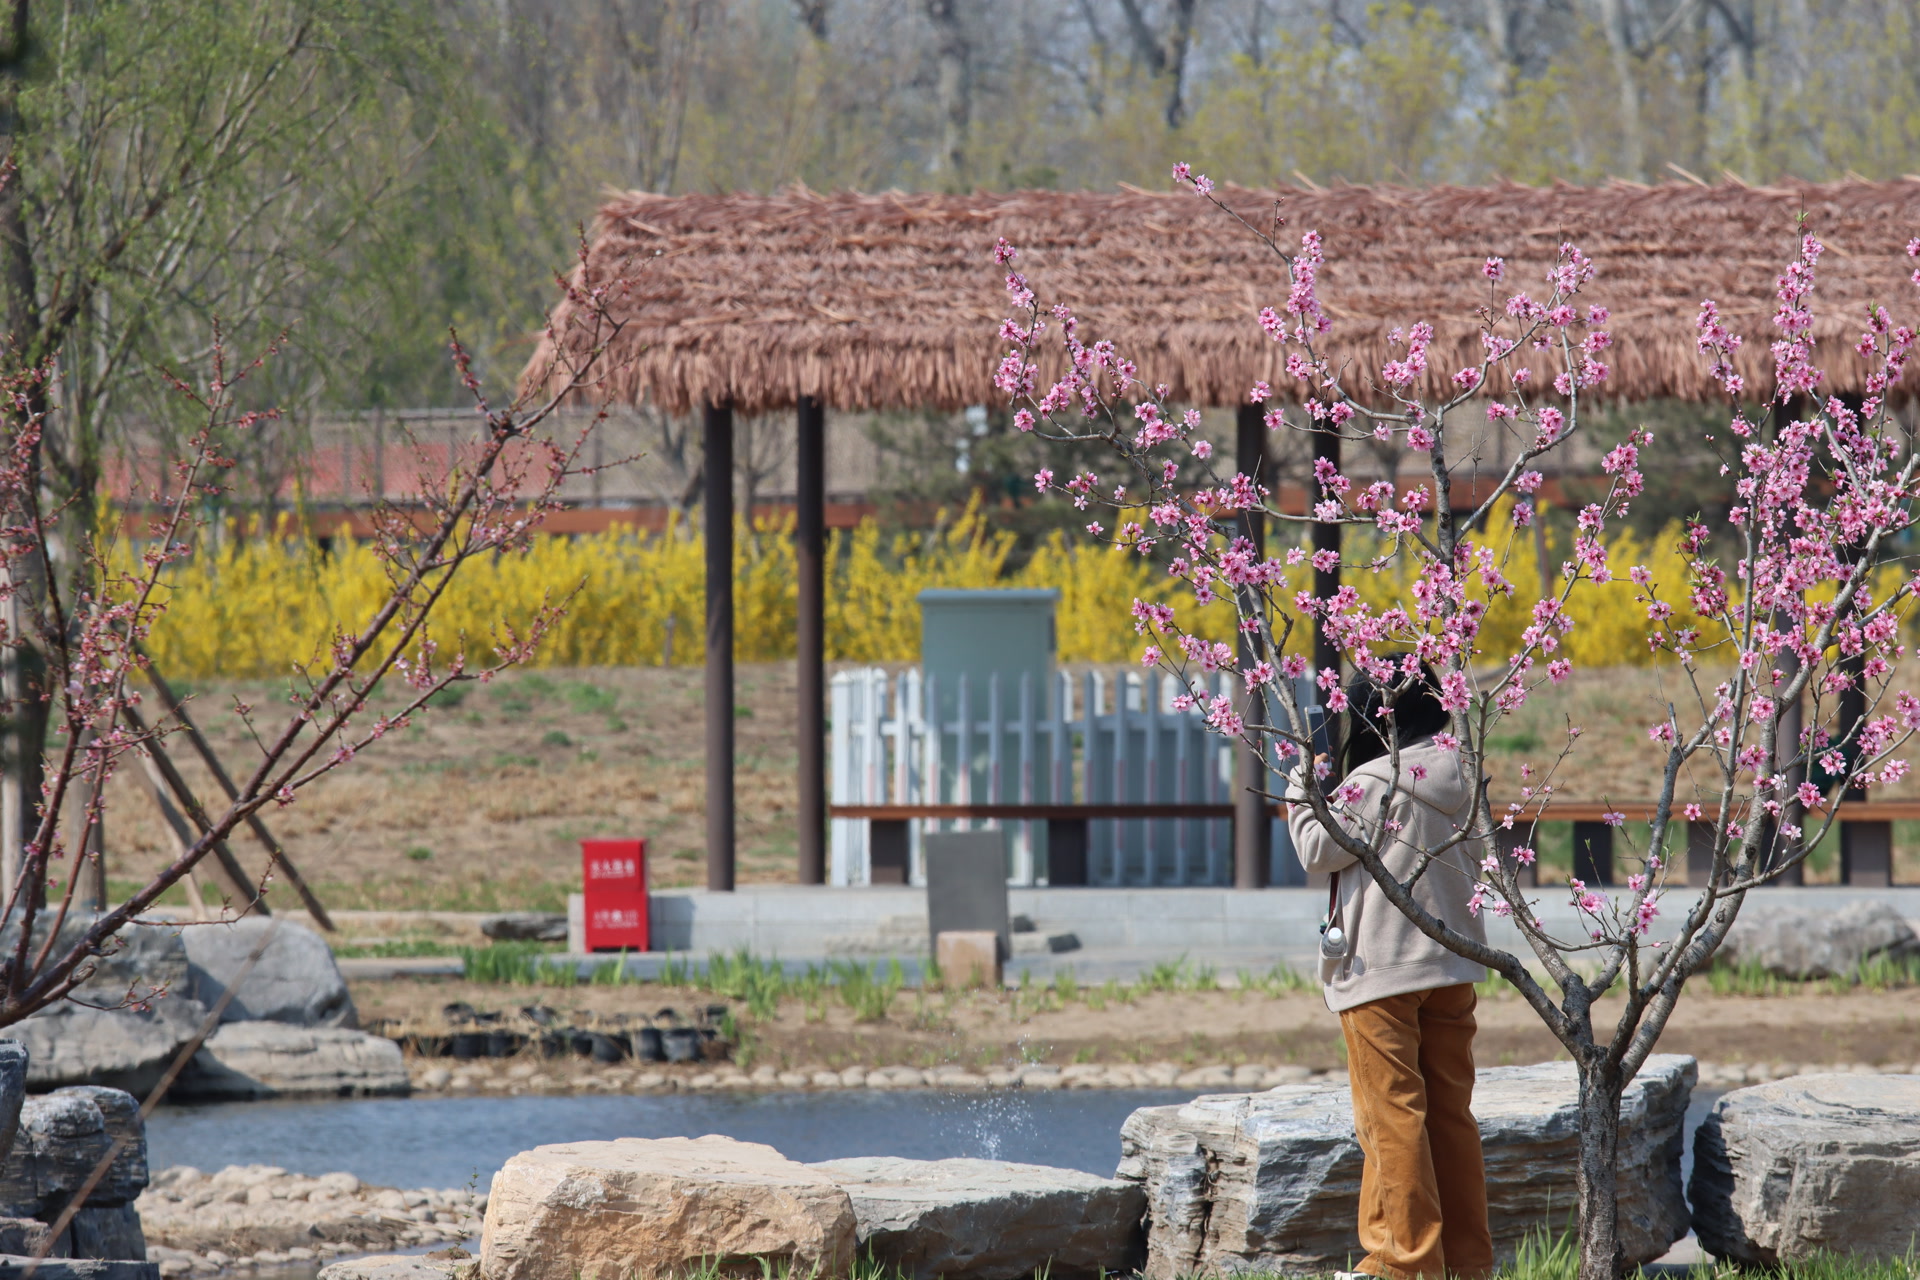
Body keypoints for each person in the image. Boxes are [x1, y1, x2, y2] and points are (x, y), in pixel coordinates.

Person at [1286, 667, 1493, 1280]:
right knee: (1450, 1117)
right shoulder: (1466, 776)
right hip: (1452, 965)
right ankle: (1465, 1265)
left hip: (1381, 971)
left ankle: (1405, 1265)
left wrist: (1302, 786)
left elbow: (1318, 849)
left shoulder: (1375, 781)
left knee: (1392, 1116)